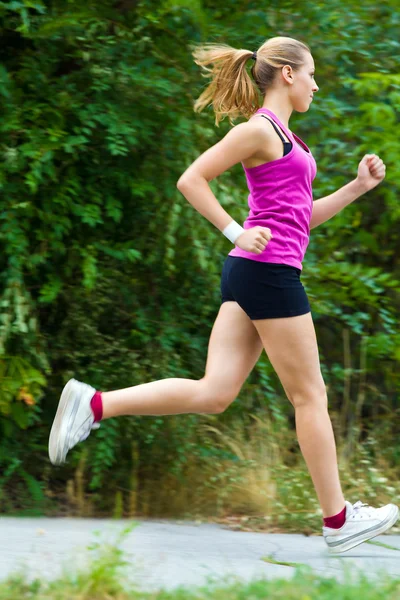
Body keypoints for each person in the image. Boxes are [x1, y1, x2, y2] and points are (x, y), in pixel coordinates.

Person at [48, 36, 398, 553]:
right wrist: (235, 230)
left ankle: (94, 404)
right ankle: (338, 520)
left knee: (215, 392)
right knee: (311, 396)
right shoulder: (259, 129)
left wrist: (354, 189)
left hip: (253, 272)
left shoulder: (290, 140)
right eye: (311, 74)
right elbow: (192, 180)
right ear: (285, 73)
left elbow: (299, 219)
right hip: (268, 273)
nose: (316, 83)